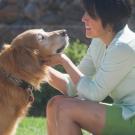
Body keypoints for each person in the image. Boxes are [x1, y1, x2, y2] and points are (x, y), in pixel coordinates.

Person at [45, 0, 135, 135]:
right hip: (125, 112)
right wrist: (37, 68)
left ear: (110, 20)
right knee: (54, 104)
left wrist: (64, 60)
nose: (83, 18)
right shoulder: (99, 41)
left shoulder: (124, 46)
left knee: (65, 108)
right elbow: (72, 86)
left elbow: (94, 94)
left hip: (131, 116)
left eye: (91, 14)